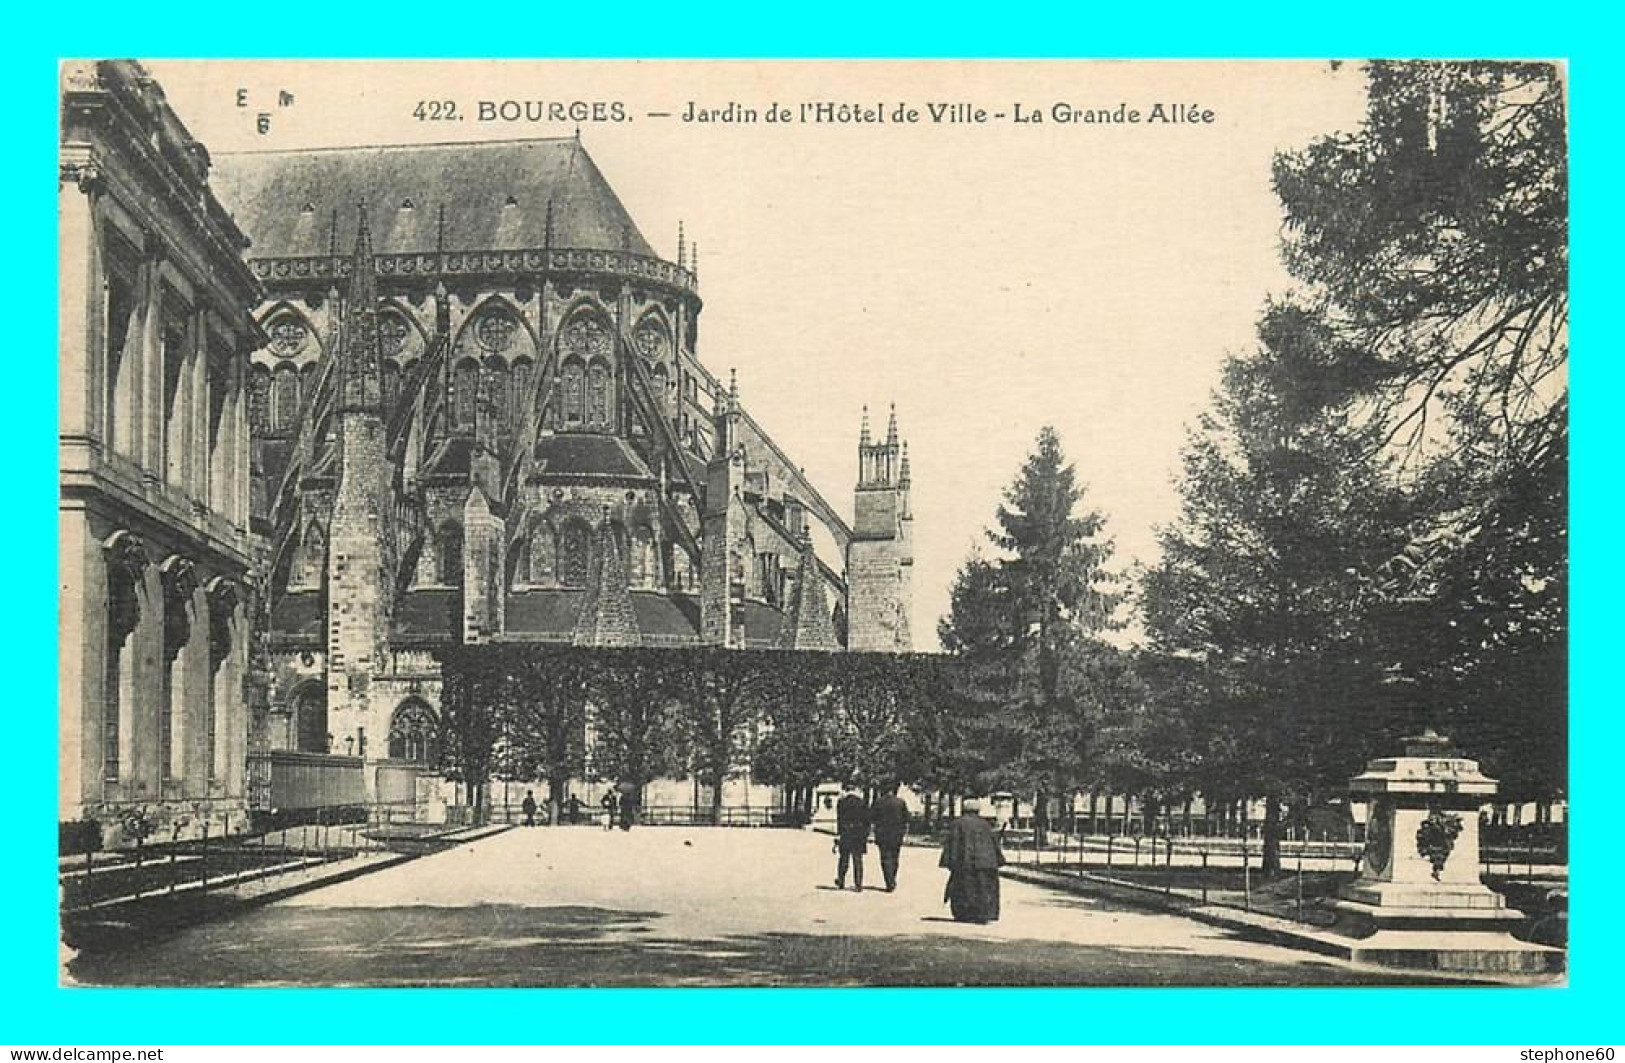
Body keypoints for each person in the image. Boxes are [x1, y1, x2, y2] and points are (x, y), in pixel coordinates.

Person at [939, 798, 1006, 923]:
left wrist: (950, 862)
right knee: (983, 889)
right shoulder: (985, 824)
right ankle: (983, 914)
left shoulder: (957, 824)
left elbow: (953, 844)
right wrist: (998, 859)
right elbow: (993, 843)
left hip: (965, 863)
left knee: (964, 888)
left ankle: (965, 913)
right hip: (985, 863)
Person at [870, 782, 910, 892]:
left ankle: (889, 881)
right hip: (897, 834)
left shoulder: (878, 802)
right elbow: (906, 818)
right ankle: (892, 877)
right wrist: (904, 832)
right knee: (895, 858)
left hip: (882, 834)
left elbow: (872, 818)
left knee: (885, 858)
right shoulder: (900, 802)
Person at [834, 783, 871, 892]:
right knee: (857, 859)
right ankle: (858, 884)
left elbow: (839, 819)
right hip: (858, 833)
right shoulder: (862, 802)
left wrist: (838, 834)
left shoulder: (842, 802)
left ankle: (841, 881)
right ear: (855, 789)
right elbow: (866, 820)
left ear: (846, 790)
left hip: (846, 833)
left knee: (843, 858)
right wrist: (865, 834)